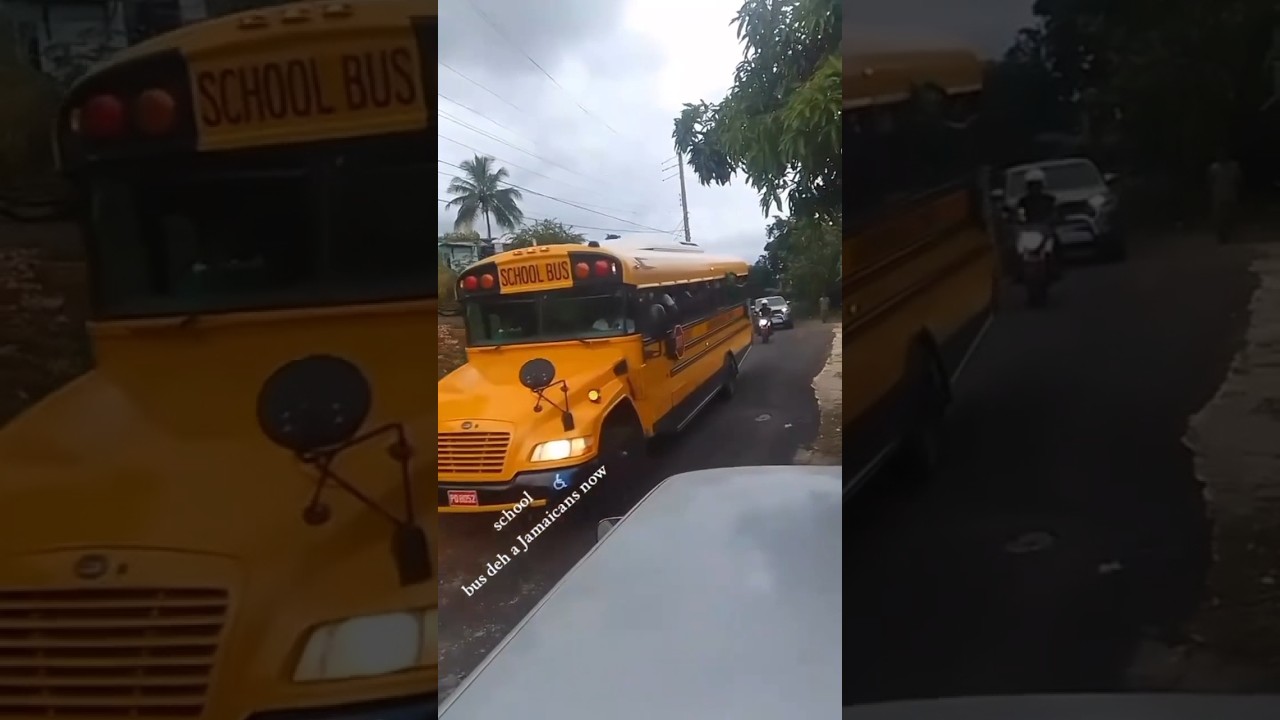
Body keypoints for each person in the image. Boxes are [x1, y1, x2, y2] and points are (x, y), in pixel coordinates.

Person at [1209, 151, 1241, 244]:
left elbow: (1239, 179)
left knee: (1229, 216)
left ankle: (1229, 235)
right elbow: (1210, 180)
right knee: (1219, 217)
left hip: (1230, 194)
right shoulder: (1214, 167)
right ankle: (1221, 237)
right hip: (1219, 196)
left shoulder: (1234, 166)